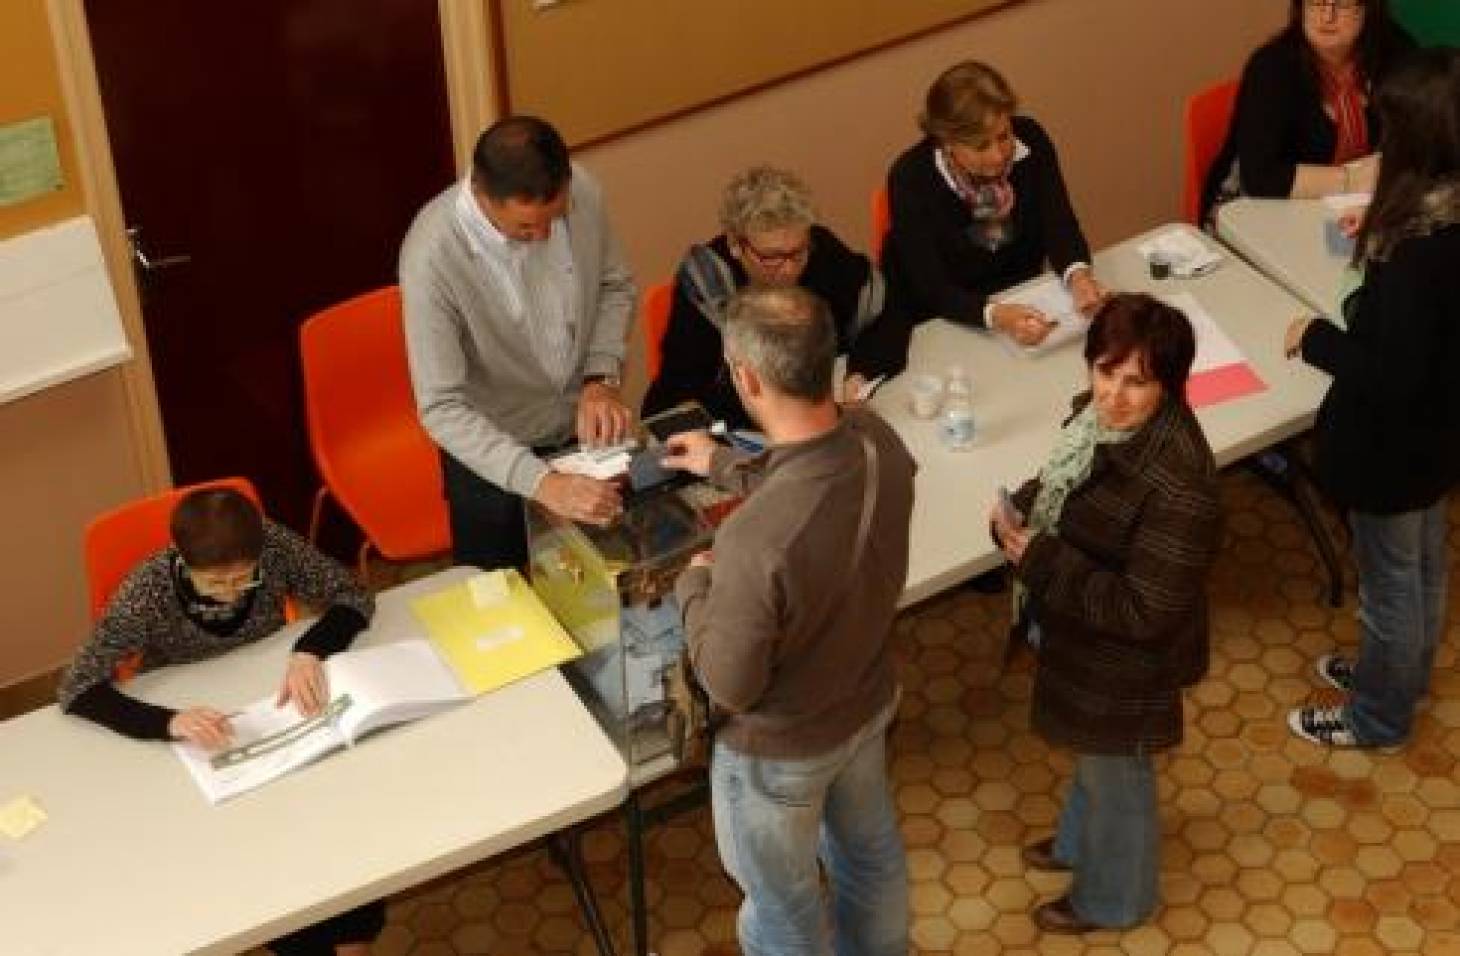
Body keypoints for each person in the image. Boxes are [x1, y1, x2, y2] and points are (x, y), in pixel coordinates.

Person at [663, 286, 916, 956]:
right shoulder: (877, 438)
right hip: (865, 703)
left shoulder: (754, 543)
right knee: (871, 858)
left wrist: (693, 585)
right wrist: (720, 463)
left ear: (745, 378)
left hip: (780, 752)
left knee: (784, 907)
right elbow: (809, 477)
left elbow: (729, 685)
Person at [57, 486, 383, 956]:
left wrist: (311, 650)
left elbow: (352, 596)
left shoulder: (270, 546)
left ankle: (343, 919)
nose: (231, 595)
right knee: (249, 856)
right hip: (195, 731)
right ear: (180, 559)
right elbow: (77, 688)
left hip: (268, 704)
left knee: (328, 829)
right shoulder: (147, 589)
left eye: (243, 580)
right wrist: (168, 721)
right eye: (215, 583)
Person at [990, 294, 1222, 933]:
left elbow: (1143, 611)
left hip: (1127, 660)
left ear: (1168, 388)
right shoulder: (1099, 424)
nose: (1114, 395)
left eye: (1136, 382)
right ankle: (1076, 846)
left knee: (1120, 778)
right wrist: (1022, 508)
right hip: (1086, 635)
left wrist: (1037, 559)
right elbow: (1069, 484)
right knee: (1095, 758)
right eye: (1104, 371)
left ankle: (1114, 900)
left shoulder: (1181, 487)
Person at [1284, 46, 1460, 750]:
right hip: (1441, 437)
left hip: (1393, 447)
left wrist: (1319, 336)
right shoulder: (1435, 221)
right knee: (1424, 566)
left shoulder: (1418, 256)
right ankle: (1401, 677)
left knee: (1390, 588)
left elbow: (1388, 370)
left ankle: (1379, 719)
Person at [400, 115, 637, 572]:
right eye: (526, 228)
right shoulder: (431, 257)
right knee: (505, 607)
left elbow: (615, 285)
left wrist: (600, 378)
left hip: (577, 436)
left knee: (593, 582)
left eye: (556, 218)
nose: (544, 237)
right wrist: (542, 483)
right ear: (482, 195)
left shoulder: (583, 191)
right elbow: (442, 407)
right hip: (491, 460)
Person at [641, 165, 911, 429]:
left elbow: (889, 314)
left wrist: (859, 376)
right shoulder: (709, 282)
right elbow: (684, 397)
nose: (790, 269)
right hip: (738, 433)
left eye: (798, 253)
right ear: (736, 244)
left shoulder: (820, 250)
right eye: (771, 258)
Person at [882, 60, 1105, 349]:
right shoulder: (910, 178)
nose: (999, 156)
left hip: (1022, 301)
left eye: (1004, 137)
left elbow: (1059, 225)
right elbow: (933, 288)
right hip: (945, 323)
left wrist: (1078, 277)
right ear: (946, 142)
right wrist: (995, 315)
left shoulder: (1032, 141)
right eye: (980, 146)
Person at [1202, 0, 1415, 222]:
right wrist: (1352, 180)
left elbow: (1418, 138)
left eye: (1341, 5)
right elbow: (1261, 178)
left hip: (1353, 206)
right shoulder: (1271, 68)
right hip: (1254, 206)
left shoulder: (1397, 53)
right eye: (1316, 3)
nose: (1327, 16)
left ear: (1369, 9)